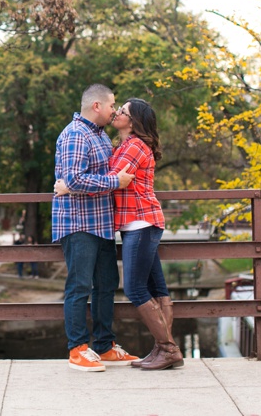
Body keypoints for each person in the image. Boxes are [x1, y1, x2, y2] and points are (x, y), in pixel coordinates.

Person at [56, 98, 183, 370]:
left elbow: (114, 179)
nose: (117, 112)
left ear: (134, 121)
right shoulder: (121, 144)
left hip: (140, 222)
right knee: (156, 288)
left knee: (137, 289)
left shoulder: (133, 146)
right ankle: (165, 349)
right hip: (135, 223)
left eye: (122, 110)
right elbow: (110, 177)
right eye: (116, 107)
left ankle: (168, 349)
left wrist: (71, 187)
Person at [53, 83, 138, 372]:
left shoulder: (100, 136)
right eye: (113, 105)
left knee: (106, 286)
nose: (115, 110)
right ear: (97, 106)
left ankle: (104, 346)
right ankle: (77, 349)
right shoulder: (75, 134)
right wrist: (115, 182)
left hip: (102, 223)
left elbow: (78, 181)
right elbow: (74, 179)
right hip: (79, 224)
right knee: (79, 287)